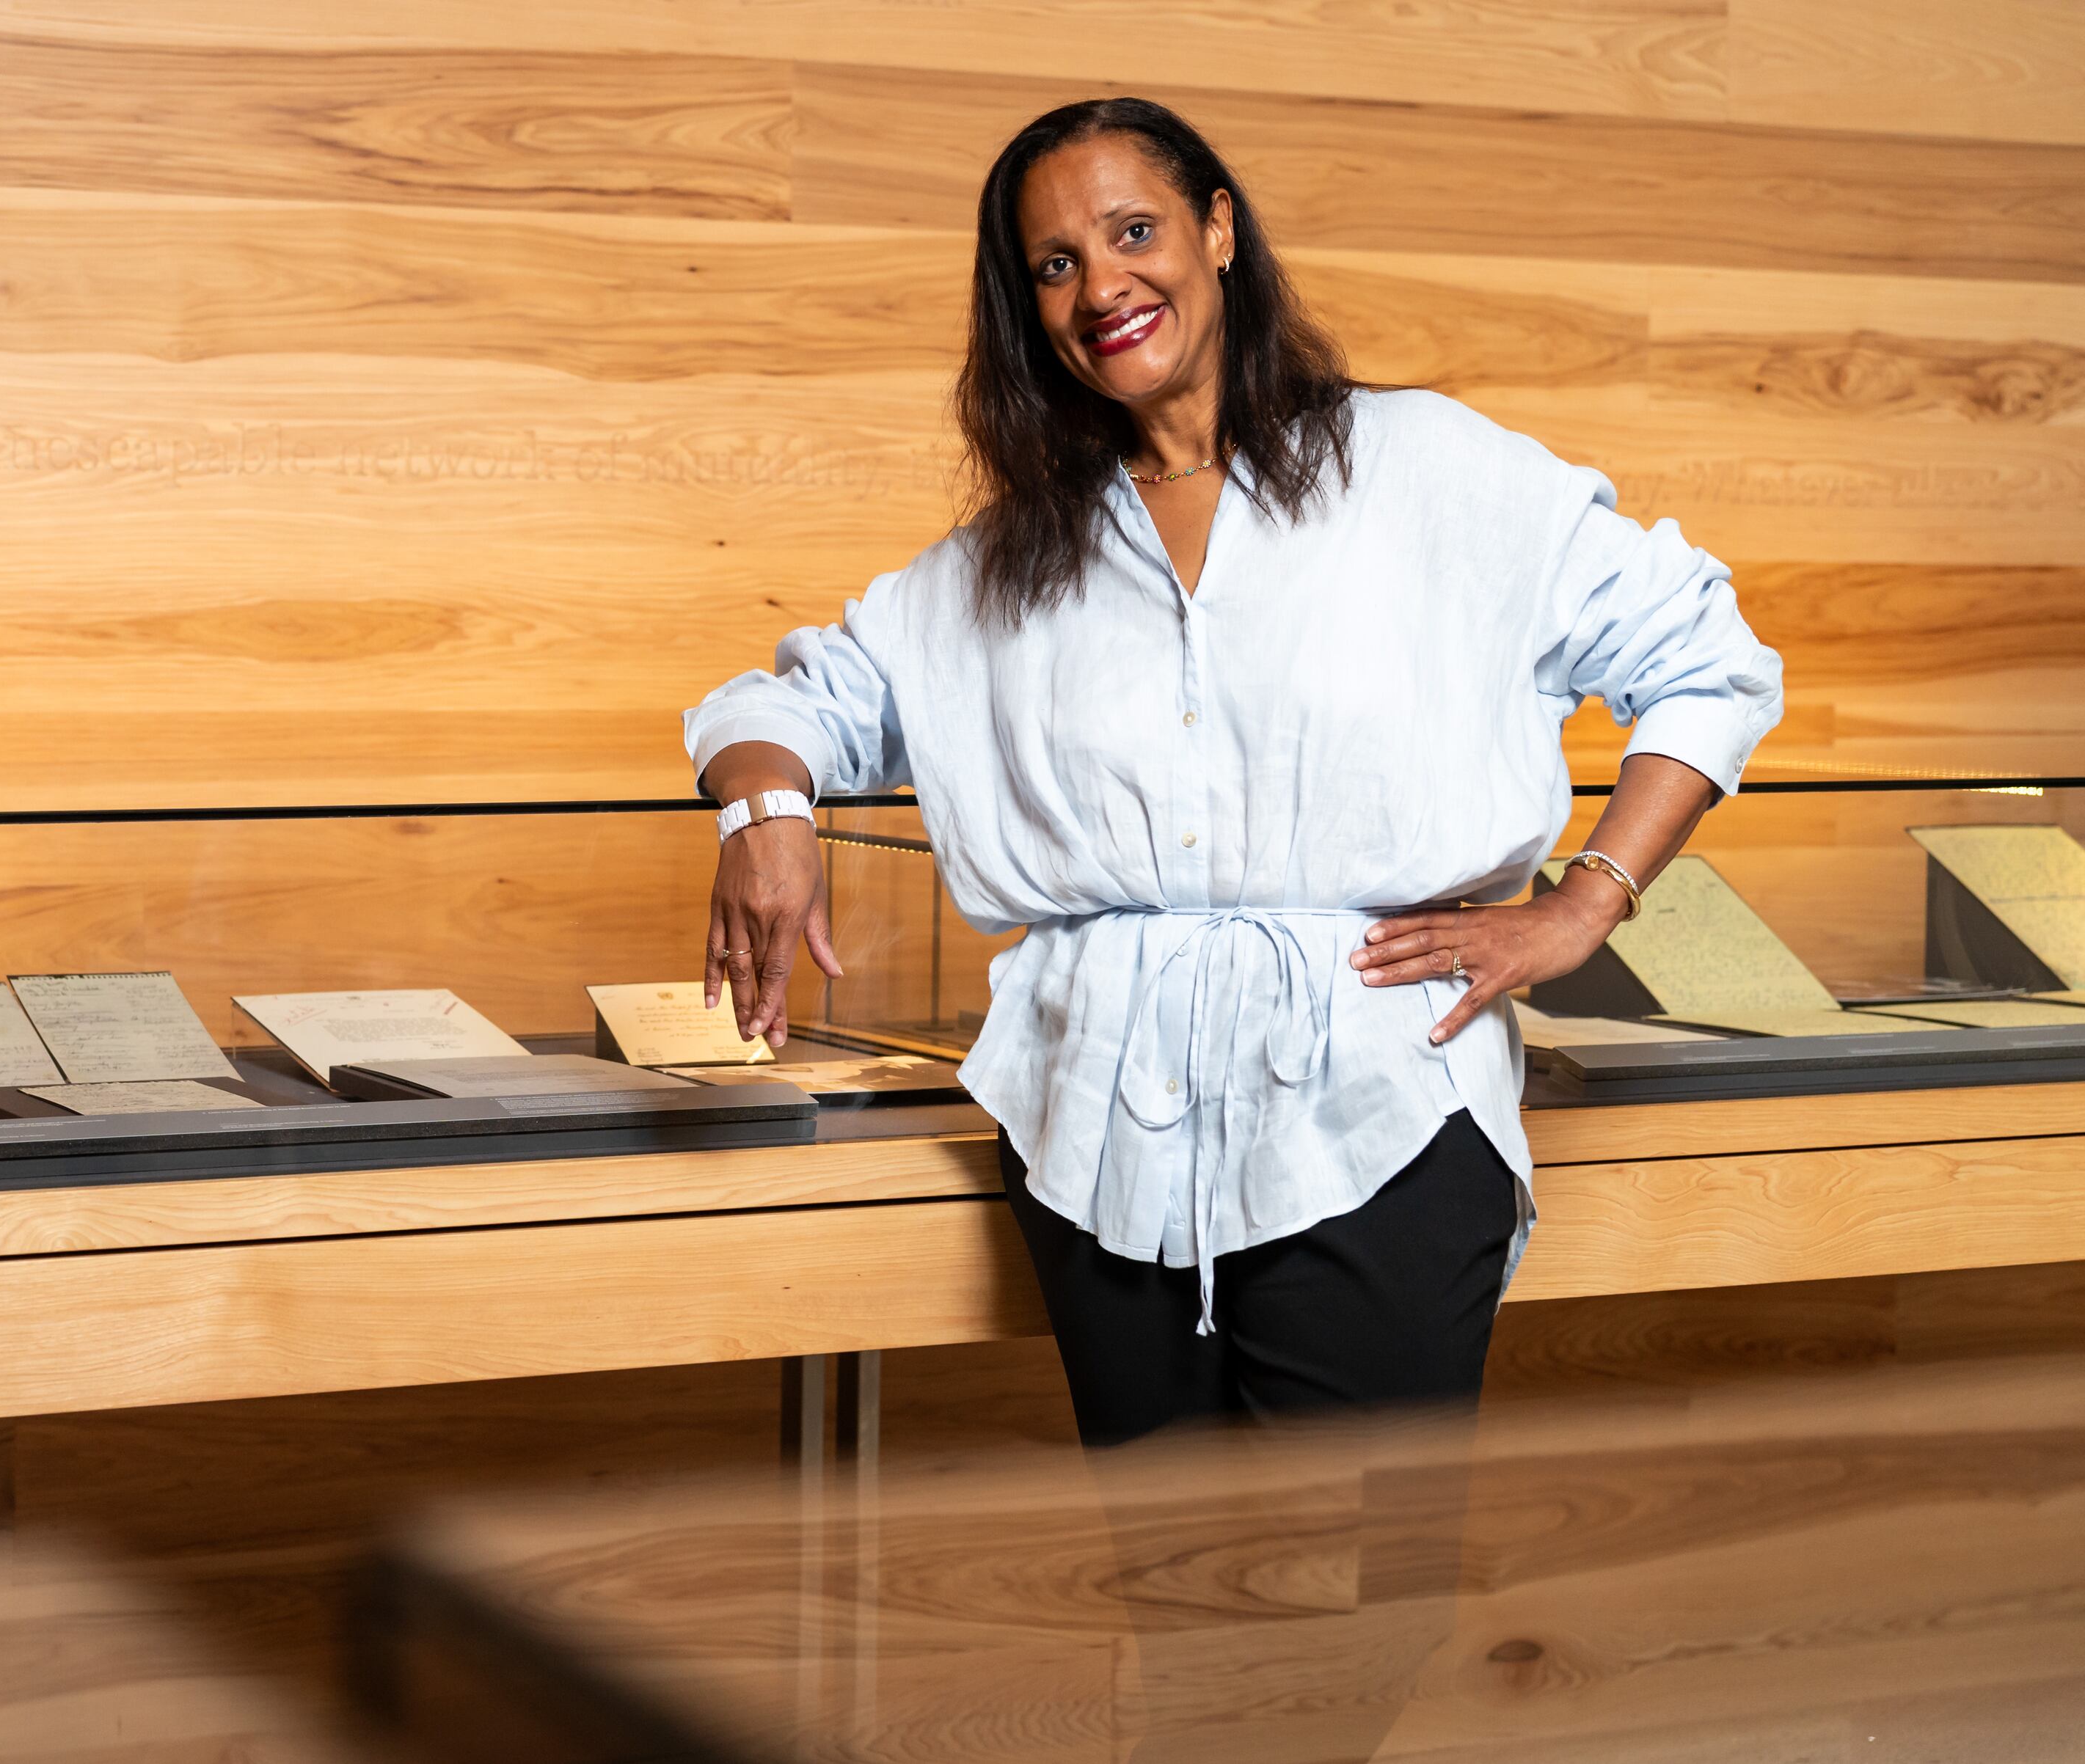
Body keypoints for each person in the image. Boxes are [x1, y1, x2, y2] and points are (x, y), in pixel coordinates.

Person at [684, 97, 1782, 1448]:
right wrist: (766, 810)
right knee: (1182, 1605)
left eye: (1133, 231)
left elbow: (1707, 653)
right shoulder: (1004, 563)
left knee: (1357, 1622)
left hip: (1379, 1117)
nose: (1103, 288)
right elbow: (778, 706)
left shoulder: (1428, 473)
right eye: (1054, 265)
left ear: (1217, 233)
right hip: (1096, 1146)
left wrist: (1588, 898)